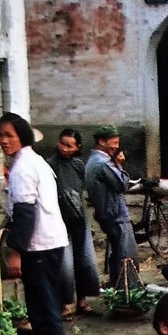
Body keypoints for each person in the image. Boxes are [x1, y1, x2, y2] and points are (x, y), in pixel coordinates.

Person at [0, 112, 68, 335]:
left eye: (9, 135)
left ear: (22, 137)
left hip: (40, 245)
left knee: (44, 304)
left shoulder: (24, 168)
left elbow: (25, 213)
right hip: (47, 241)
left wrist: (15, 252)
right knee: (39, 302)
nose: (3, 141)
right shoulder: (30, 161)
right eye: (0, 135)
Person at [47, 128, 100, 316]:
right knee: (64, 264)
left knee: (85, 261)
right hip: (59, 220)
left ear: (78, 147)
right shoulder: (50, 165)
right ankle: (65, 304)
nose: (65, 148)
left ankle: (82, 301)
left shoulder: (79, 165)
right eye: (62, 143)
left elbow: (83, 190)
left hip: (79, 218)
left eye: (70, 145)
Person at [84, 125, 139, 287]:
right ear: (101, 142)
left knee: (118, 253)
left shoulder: (93, 161)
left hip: (107, 214)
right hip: (115, 215)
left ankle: (117, 288)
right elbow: (122, 184)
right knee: (127, 256)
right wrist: (119, 164)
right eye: (113, 143)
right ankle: (127, 292)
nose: (116, 147)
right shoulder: (103, 163)